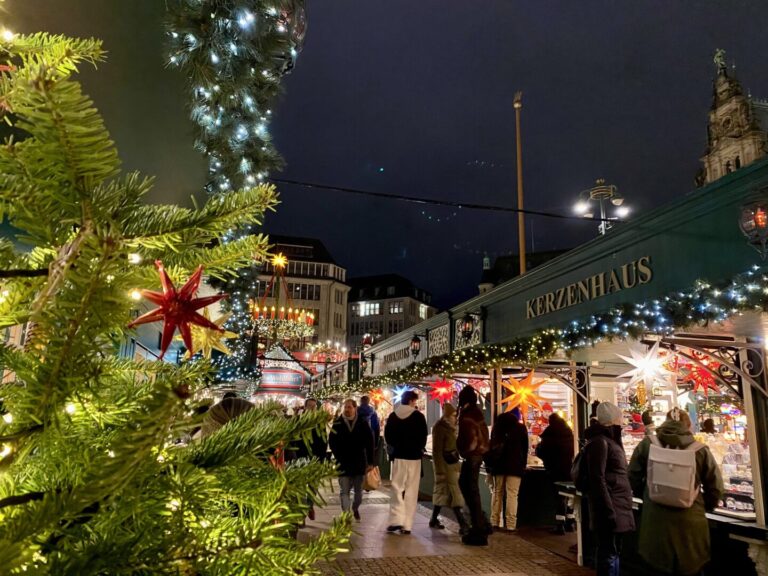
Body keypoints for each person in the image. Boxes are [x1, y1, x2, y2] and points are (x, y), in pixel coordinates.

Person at [628, 408, 724, 575]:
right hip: (690, 527)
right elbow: (715, 487)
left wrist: (647, 496)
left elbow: (632, 475)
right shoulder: (700, 450)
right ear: (688, 425)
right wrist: (703, 506)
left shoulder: (647, 445)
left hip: (655, 523)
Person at [583, 401, 635, 576]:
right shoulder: (601, 443)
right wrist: (608, 510)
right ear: (614, 419)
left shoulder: (606, 441)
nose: (622, 421)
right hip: (611, 507)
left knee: (612, 552)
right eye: (620, 417)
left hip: (616, 505)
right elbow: (597, 478)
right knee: (609, 553)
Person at [385, 390, 427, 535]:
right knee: (411, 490)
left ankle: (396, 519)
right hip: (414, 458)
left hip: (399, 457)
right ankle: (407, 524)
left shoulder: (393, 416)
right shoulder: (418, 417)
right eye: (415, 401)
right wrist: (418, 448)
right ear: (411, 401)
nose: (415, 404)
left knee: (397, 488)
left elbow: (388, 437)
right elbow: (423, 438)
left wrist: (397, 446)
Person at [329, 399, 374, 521]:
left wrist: (370, 462)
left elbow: (370, 443)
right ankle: (346, 515)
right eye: (346, 407)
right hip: (343, 463)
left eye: (349, 407)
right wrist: (338, 456)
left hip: (359, 463)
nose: (347, 409)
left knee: (359, 493)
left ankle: (355, 508)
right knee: (344, 491)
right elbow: (332, 442)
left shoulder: (362, 423)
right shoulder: (338, 423)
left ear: (355, 408)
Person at [457, 385, 490, 546]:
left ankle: (479, 527)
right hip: (477, 455)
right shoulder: (477, 414)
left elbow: (470, 440)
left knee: (470, 489)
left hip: (472, 456)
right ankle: (481, 522)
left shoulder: (468, 416)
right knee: (469, 488)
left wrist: (463, 450)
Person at [486, 406, 528, 532]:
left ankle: (494, 521)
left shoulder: (497, 428)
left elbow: (491, 446)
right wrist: (523, 464)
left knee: (497, 492)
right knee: (512, 495)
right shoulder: (520, 428)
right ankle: (511, 524)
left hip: (498, 466)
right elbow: (525, 449)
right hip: (515, 466)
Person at [429, 403, 468, 533]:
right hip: (446, 466)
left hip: (451, 465)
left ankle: (433, 519)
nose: (455, 417)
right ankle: (463, 524)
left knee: (443, 493)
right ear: (447, 416)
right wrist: (440, 469)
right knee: (454, 493)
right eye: (453, 415)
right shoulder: (440, 428)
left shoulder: (450, 428)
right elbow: (437, 450)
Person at [536, 412, 575, 534]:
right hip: (569, 469)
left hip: (554, 470)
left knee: (558, 496)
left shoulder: (550, 434)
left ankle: (559, 524)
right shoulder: (569, 434)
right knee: (569, 496)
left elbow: (541, 451)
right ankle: (570, 521)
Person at [294, 398, 329, 521]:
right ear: (305, 407)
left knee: (313, 488)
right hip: (301, 460)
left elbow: (324, 442)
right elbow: (294, 440)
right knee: (302, 489)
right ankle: (302, 515)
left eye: (314, 407)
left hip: (316, 460)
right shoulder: (299, 421)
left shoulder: (319, 422)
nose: (312, 409)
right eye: (310, 406)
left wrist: (322, 459)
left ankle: (309, 506)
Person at [357, 395, 381, 461]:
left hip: (357, 436)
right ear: (368, 401)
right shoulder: (373, 412)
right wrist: (376, 443)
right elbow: (376, 427)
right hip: (370, 436)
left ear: (360, 401)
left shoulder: (356, 411)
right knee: (368, 458)